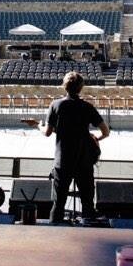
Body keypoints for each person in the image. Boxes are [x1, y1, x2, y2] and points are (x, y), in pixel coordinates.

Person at [26, 71, 110, 222]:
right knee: (88, 205)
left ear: (64, 87)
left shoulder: (56, 105)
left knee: (58, 204)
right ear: (81, 87)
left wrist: (37, 125)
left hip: (63, 161)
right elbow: (106, 131)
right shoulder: (87, 107)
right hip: (84, 161)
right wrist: (96, 138)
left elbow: (47, 133)